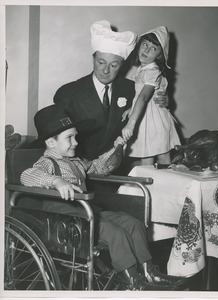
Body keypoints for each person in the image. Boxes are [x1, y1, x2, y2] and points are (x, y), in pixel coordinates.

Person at [20, 104, 186, 291]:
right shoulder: (46, 162)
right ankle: (132, 281)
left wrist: (118, 146)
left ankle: (149, 272)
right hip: (66, 220)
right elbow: (27, 175)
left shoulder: (75, 162)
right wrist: (56, 181)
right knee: (114, 232)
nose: (75, 142)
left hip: (88, 213)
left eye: (75, 136)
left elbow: (101, 167)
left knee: (133, 223)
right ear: (51, 143)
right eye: (69, 138)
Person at [53, 20, 169, 166]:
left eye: (113, 65)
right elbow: (56, 142)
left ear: (121, 66)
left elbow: (146, 99)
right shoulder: (68, 93)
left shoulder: (130, 88)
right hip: (80, 173)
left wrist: (163, 100)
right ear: (93, 59)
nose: (106, 70)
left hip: (118, 172)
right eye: (101, 62)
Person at [122, 26, 181, 165]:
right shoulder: (142, 69)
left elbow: (143, 97)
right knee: (146, 157)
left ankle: (166, 185)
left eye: (154, 48)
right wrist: (131, 108)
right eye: (145, 44)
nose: (147, 50)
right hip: (145, 120)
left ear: (159, 55)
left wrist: (130, 124)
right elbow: (139, 96)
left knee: (162, 156)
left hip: (155, 121)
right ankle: (149, 185)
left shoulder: (152, 71)